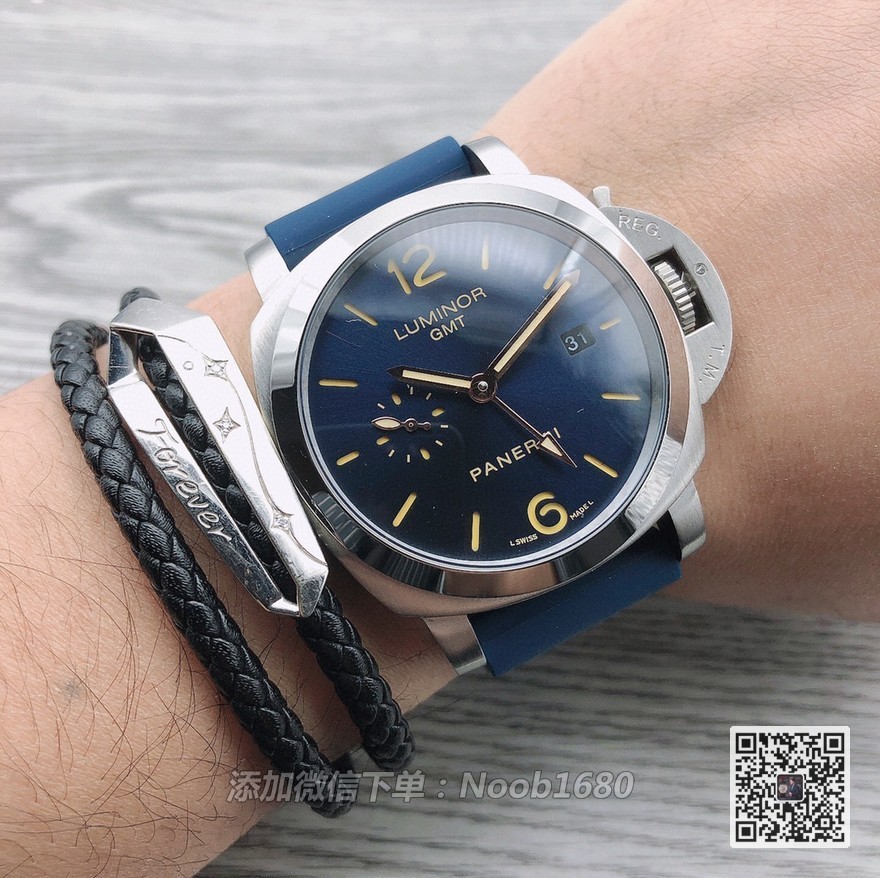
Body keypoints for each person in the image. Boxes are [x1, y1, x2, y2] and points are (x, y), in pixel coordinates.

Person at [0, 1, 878, 874]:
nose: (485, 389)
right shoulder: (446, 604)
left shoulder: (495, 220)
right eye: (475, 388)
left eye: (485, 383)